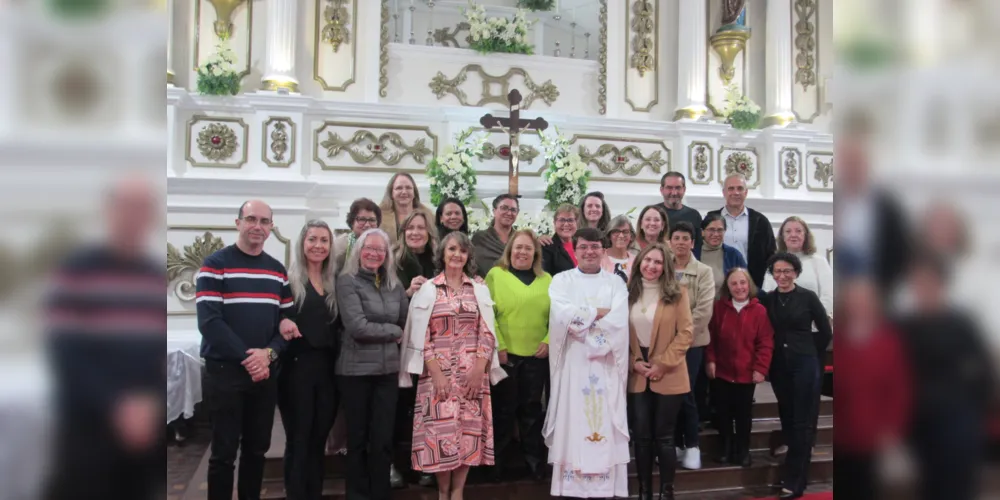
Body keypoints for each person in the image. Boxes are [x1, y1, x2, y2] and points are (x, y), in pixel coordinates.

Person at [43, 174, 164, 500]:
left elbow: (157, 352)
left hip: (143, 421)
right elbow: (65, 350)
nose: (134, 215)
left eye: (142, 207)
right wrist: (116, 404)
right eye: (126, 206)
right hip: (91, 421)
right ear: (109, 210)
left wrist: (149, 403)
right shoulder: (77, 269)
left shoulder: (154, 276)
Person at [196, 200, 297, 500]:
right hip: (226, 372)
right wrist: (249, 358)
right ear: (237, 222)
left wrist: (269, 355)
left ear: (271, 228)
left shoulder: (277, 271)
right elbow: (210, 322)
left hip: (264, 373)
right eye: (251, 219)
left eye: (265, 221)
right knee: (224, 452)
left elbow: (287, 324)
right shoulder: (214, 265)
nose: (258, 226)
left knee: (257, 449)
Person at [399, 231, 507, 500]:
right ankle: (442, 491)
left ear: (468, 255)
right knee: (440, 434)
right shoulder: (428, 289)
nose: (457, 255)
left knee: (467, 433)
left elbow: (487, 332)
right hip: (438, 376)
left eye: (462, 250)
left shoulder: (479, 289)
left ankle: (458, 491)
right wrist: (436, 372)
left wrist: (479, 369)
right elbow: (420, 333)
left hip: (472, 376)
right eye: (451, 250)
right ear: (442, 254)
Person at [544, 227, 631, 498]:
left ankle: (604, 486)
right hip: (574, 364)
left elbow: (618, 321)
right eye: (583, 247)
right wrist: (597, 314)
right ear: (576, 250)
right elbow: (562, 316)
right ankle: (572, 485)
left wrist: (584, 320)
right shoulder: (561, 280)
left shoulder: (615, 282)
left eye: (595, 247)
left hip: (605, 364)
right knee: (574, 417)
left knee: (603, 416)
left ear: (603, 250)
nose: (589, 252)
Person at [336, 228, 409, 500]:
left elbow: (404, 320)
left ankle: (380, 494)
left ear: (387, 254)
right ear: (359, 251)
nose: (374, 253)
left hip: (387, 372)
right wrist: (393, 333)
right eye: (369, 248)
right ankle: (356, 495)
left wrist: (394, 329)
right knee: (357, 440)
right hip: (355, 372)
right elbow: (357, 327)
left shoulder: (394, 284)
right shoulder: (347, 281)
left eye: (380, 249)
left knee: (382, 441)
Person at [757, 253, 832, 499]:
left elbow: (825, 331)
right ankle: (794, 471)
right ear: (772, 274)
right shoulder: (767, 300)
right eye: (777, 271)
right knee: (787, 417)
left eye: (787, 271)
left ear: (796, 273)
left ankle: (794, 482)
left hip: (805, 364)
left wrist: (808, 350)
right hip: (779, 367)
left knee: (802, 423)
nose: (782, 276)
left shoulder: (808, 297)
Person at [277, 220, 340, 500]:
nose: (318, 245)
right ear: (302, 243)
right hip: (296, 370)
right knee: (299, 439)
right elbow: (276, 319)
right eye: (312, 239)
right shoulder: (289, 282)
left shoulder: (333, 283)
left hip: (328, 371)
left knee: (318, 440)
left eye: (324, 240)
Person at [833, 273, 911, 500]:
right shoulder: (839, 340)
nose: (859, 307)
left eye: (864, 301)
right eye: (854, 301)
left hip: (875, 437)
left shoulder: (889, 342)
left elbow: (900, 390)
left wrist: (892, 429)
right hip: (843, 435)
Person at [762, 216, 834, 457]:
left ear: (806, 235)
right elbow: (767, 296)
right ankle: (789, 438)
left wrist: (813, 330)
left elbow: (827, 297)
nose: (793, 235)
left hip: (811, 338)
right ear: (782, 236)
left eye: (798, 231)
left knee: (809, 395)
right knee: (785, 394)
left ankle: (807, 441)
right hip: (781, 339)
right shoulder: (775, 263)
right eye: (788, 231)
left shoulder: (818, 261)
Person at [626, 243, 693, 500]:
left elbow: (686, 333)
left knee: (664, 437)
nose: (651, 266)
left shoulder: (678, 293)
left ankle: (667, 492)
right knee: (641, 438)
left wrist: (663, 364)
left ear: (665, 266)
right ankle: (644, 491)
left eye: (657, 262)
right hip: (637, 372)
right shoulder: (627, 293)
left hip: (669, 371)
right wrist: (633, 361)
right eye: (648, 260)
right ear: (640, 261)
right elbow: (620, 333)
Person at [485, 229, 553, 481]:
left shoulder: (547, 280)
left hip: (536, 357)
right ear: (509, 250)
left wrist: (548, 340)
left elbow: (557, 316)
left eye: (527, 247)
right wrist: (499, 346)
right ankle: (496, 466)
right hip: (506, 357)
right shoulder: (495, 275)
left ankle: (534, 463)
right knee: (503, 412)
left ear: (535, 252)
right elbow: (487, 314)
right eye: (518, 247)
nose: (522, 252)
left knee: (531, 412)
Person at [706, 268, 773, 467]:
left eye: (742, 283)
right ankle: (726, 448)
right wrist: (710, 360)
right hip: (722, 372)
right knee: (724, 413)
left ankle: (743, 450)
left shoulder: (760, 311)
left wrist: (760, 368)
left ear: (749, 284)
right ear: (728, 286)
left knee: (743, 415)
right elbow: (710, 338)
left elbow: (766, 342)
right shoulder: (719, 308)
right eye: (734, 283)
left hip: (746, 373)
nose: (739, 287)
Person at [392, 210, 439, 487]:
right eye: (410, 228)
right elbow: (384, 298)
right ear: (403, 232)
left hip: (435, 345)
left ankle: (427, 463)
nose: (416, 233)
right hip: (403, 344)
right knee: (402, 406)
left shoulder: (438, 260)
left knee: (429, 407)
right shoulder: (392, 261)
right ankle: (398, 465)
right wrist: (407, 294)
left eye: (421, 228)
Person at [667, 222, 716, 470]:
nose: (681, 242)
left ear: (693, 243)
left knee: (686, 393)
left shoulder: (704, 271)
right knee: (669, 393)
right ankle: (674, 443)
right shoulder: (663, 268)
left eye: (686, 238)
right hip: (664, 344)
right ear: (669, 241)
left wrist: (680, 335)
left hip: (692, 343)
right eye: (676, 238)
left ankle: (693, 445)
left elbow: (704, 311)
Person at [705, 174, 776, 289]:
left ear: (746, 192)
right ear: (724, 192)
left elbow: (771, 255)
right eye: (731, 188)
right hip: (717, 286)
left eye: (740, 188)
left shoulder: (760, 221)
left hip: (751, 285)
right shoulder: (711, 219)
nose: (736, 192)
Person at [694, 213, 748, 298]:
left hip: (726, 309)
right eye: (711, 229)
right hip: (697, 308)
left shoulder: (733, 255)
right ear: (702, 232)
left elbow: (747, 282)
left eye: (720, 230)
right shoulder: (692, 255)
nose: (716, 234)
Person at [380, 172, 434, 246]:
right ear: (391, 193)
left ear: (414, 192)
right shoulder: (380, 217)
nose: (404, 192)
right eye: (399, 188)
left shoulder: (428, 215)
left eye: (408, 188)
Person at [472, 194, 519, 278]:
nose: (509, 213)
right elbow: (471, 265)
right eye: (504, 208)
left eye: (513, 210)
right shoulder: (480, 238)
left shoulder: (520, 239)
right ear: (494, 211)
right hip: (486, 287)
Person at [334, 198, 382, 270]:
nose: (367, 225)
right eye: (362, 219)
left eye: (372, 220)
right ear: (352, 222)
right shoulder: (341, 245)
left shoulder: (383, 245)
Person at [659, 172, 703, 249]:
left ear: (684, 189)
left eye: (678, 188)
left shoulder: (694, 215)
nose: (674, 193)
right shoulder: (653, 213)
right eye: (669, 188)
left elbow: (698, 247)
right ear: (662, 190)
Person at [542, 204, 580, 277]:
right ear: (554, 223)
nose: (566, 224)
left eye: (570, 220)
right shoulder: (547, 247)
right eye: (562, 220)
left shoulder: (581, 245)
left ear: (577, 223)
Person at [602, 214, 637, 283]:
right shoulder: (599, 257)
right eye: (616, 231)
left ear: (631, 236)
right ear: (609, 235)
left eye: (625, 232)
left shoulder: (636, 261)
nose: (621, 235)